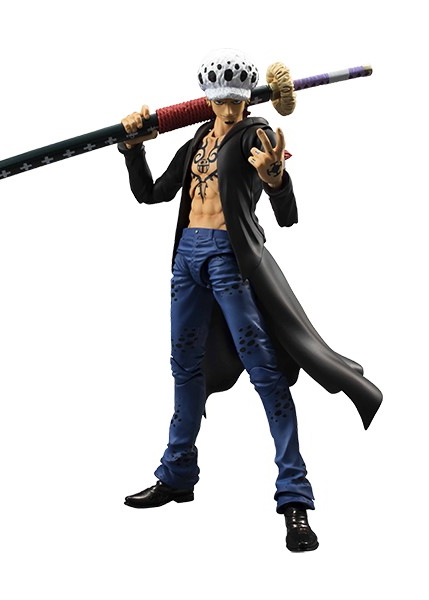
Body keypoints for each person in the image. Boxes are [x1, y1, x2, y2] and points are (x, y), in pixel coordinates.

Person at [118, 48, 382, 552]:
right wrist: (133, 150)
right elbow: (151, 194)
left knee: (265, 370)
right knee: (184, 368)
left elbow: (286, 211)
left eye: (237, 100)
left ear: (246, 99)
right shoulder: (197, 140)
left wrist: (275, 177)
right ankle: (177, 474)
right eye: (221, 100)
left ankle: (295, 498)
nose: (229, 108)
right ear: (209, 100)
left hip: (229, 259)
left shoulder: (254, 135)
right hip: (186, 260)